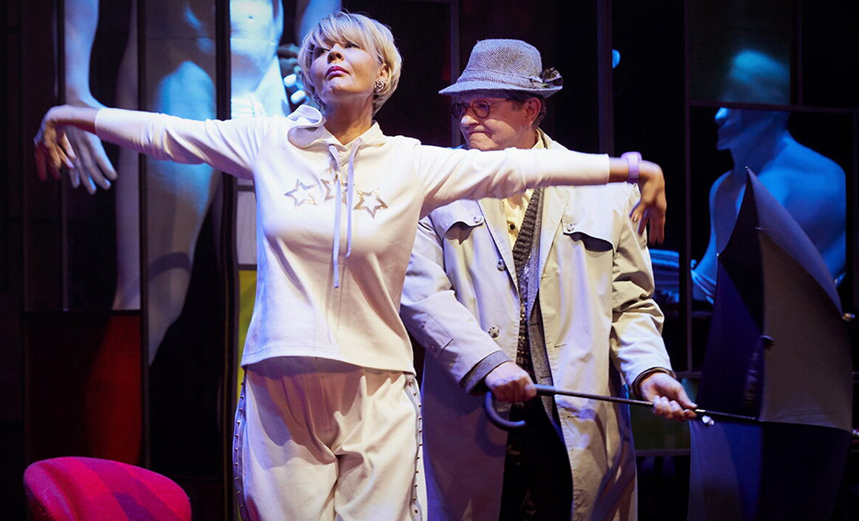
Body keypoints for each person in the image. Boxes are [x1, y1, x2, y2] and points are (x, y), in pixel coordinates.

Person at [35, 13, 667, 521]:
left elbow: (520, 169)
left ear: (383, 71)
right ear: (308, 75)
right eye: (319, 51)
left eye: (349, 47)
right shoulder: (268, 143)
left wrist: (633, 169)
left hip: (378, 383)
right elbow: (167, 133)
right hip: (281, 378)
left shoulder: (413, 162)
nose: (331, 55)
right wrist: (73, 112)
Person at [400, 39, 694, 521]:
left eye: (483, 105)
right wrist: (487, 363)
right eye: (461, 107)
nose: (466, 119)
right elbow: (420, 293)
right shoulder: (433, 188)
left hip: (576, 420)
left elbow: (630, 304)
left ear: (531, 109)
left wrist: (650, 370)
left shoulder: (606, 192)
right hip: (475, 411)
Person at [63, 0, 340, 364]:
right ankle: (105, 400)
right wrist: (72, 88)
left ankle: (250, 404)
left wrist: (318, 71)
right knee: (155, 292)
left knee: (270, 291)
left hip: (263, 82)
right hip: (177, 70)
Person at [689, 50, 846, 302]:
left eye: (738, 95)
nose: (719, 115)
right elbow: (710, 282)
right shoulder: (725, 188)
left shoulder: (818, 181)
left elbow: (785, 293)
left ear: (774, 103)